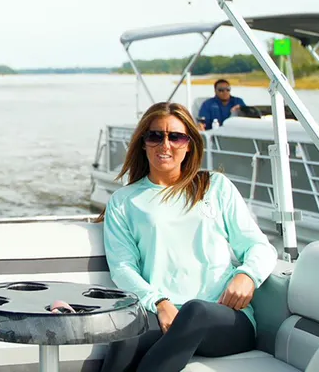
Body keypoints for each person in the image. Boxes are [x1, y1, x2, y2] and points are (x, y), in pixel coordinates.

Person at [93, 102, 277, 372]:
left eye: (175, 137)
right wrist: (159, 302)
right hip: (161, 313)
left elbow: (258, 246)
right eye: (155, 136)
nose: (164, 145)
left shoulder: (214, 187)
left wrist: (248, 275)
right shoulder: (123, 201)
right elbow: (123, 267)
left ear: (189, 144)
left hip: (226, 318)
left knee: (196, 311)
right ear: (143, 143)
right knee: (126, 336)